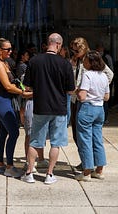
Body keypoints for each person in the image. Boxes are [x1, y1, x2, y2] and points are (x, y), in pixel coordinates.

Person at [21, 33, 75, 184]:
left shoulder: (35, 61)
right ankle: (49, 174)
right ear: (58, 45)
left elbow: (27, 86)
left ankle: (29, 173)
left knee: (35, 141)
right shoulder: (65, 64)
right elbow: (71, 90)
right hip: (59, 108)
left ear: (48, 43)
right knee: (56, 143)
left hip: (40, 106)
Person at [0, 36, 32, 177]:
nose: (10, 51)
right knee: (14, 132)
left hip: (6, 101)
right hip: (2, 101)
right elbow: (7, 86)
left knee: (3, 133)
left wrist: (21, 88)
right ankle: (9, 166)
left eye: (11, 48)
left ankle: (0, 164)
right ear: (0, 50)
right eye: (7, 49)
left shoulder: (4, 62)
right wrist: (23, 93)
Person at [69, 37, 113, 171]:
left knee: (85, 137)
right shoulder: (76, 61)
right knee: (82, 135)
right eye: (73, 50)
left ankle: (87, 167)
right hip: (78, 100)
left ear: (83, 48)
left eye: (76, 50)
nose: (74, 53)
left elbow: (109, 74)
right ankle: (91, 163)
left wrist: (94, 90)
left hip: (85, 101)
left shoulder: (92, 59)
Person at [75, 50, 110, 182]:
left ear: (90, 62)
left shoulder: (87, 75)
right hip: (100, 109)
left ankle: (86, 172)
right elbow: (106, 97)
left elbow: (82, 96)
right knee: (97, 140)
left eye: (85, 60)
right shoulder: (104, 76)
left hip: (87, 108)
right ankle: (99, 170)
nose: (83, 62)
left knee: (85, 140)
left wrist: (77, 92)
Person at [95, 42, 114, 124]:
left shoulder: (106, 57)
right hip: (99, 82)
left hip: (104, 82)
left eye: (100, 48)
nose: (99, 49)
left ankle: (104, 118)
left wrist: (107, 82)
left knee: (105, 101)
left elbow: (111, 71)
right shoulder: (96, 56)